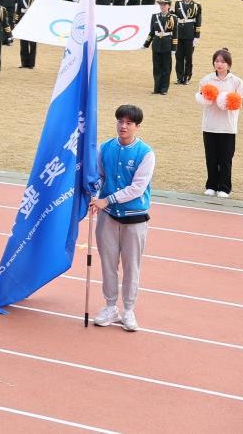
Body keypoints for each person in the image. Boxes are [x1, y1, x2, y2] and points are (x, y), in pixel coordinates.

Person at [90, 105, 154, 333]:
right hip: (108, 217)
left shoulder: (146, 153)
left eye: (128, 123)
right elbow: (100, 176)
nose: (123, 126)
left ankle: (128, 310)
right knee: (108, 264)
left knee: (131, 266)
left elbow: (137, 188)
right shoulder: (105, 148)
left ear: (137, 126)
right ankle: (110, 307)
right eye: (120, 122)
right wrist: (93, 190)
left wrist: (107, 200)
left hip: (134, 218)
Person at [194, 48, 243, 198]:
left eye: (223, 62)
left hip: (228, 127)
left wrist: (231, 102)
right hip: (210, 125)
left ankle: (224, 187)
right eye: (217, 61)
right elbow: (201, 96)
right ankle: (211, 185)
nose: (219, 64)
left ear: (229, 64)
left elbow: (242, 101)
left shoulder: (236, 81)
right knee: (211, 158)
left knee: (225, 159)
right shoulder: (207, 80)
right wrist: (205, 98)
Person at [143, 0, 176, 95]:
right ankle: (157, 88)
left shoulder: (173, 18)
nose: (162, 6)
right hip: (156, 44)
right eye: (161, 4)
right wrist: (146, 44)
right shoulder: (155, 16)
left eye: (164, 5)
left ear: (169, 6)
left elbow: (175, 34)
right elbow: (152, 32)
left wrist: (174, 48)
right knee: (156, 68)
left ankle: (164, 89)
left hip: (167, 44)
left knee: (166, 68)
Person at [173, 0, 202, 85]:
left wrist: (197, 36)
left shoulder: (197, 6)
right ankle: (179, 77)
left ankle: (187, 77)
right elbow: (175, 16)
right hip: (179, 34)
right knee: (178, 57)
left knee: (188, 58)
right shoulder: (178, 4)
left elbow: (198, 21)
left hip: (190, 34)